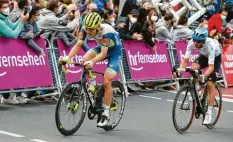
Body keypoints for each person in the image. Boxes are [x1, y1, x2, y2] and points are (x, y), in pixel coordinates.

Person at [59, 12, 122, 127]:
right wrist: (68, 58)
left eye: (91, 30)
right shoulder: (85, 28)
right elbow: (78, 45)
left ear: (98, 26)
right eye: (87, 29)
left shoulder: (106, 32)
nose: (89, 32)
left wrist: (92, 62)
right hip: (102, 48)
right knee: (84, 60)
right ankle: (93, 86)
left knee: (107, 81)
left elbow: (103, 54)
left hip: (114, 52)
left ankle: (106, 113)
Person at [176, 27, 222, 124]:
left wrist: (204, 76)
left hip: (215, 58)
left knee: (210, 84)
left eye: (198, 41)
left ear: (203, 41)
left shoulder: (210, 45)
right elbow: (185, 61)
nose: (195, 43)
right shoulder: (191, 43)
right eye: (194, 40)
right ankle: (196, 89)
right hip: (204, 56)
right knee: (193, 67)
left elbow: (211, 67)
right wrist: (179, 71)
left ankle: (209, 112)